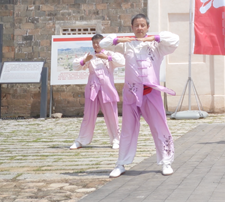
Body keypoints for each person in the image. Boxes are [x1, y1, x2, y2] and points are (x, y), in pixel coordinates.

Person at [99, 14, 178, 177]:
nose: (140, 28)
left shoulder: (157, 46)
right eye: (136, 25)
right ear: (132, 28)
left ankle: (166, 161)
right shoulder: (127, 45)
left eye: (143, 25)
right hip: (131, 95)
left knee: (159, 126)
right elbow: (103, 43)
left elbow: (175, 40)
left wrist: (153, 38)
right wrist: (119, 40)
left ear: (147, 27)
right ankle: (121, 163)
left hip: (151, 93)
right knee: (128, 129)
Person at [70, 34, 125, 150]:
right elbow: (76, 66)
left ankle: (116, 139)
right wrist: (85, 60)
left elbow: (122, 61)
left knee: (112, 115)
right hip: (93, 88)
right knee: (88, 115)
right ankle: (81, 140)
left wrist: (107, 58)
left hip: (107, 88)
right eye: (94, 43)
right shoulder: (89, 56)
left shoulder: (109, 54)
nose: (96, 45)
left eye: (98, 42)